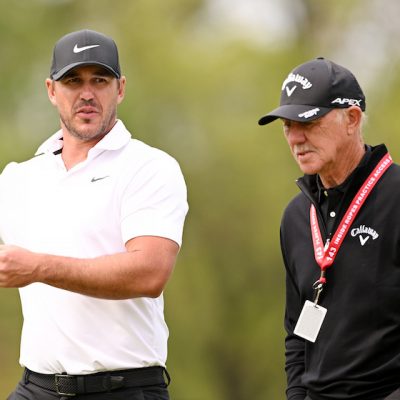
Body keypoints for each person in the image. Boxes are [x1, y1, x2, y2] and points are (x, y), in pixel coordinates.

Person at [1, 29, 188, 400]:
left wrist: (38, 267)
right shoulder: (18, 178)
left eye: (99, 80)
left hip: (122, 388)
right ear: (51, 91)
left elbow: (149, 272)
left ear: (119, 88)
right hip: (35, 387)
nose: (86, 93)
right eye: (73, 81)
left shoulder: (149, 167)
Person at [258, 57, 400, 400]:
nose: (296, 138)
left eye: (309, 122)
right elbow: (296, 332)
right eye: (288, 126)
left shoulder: (396, 196)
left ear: (351, 119)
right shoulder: (296, 216)